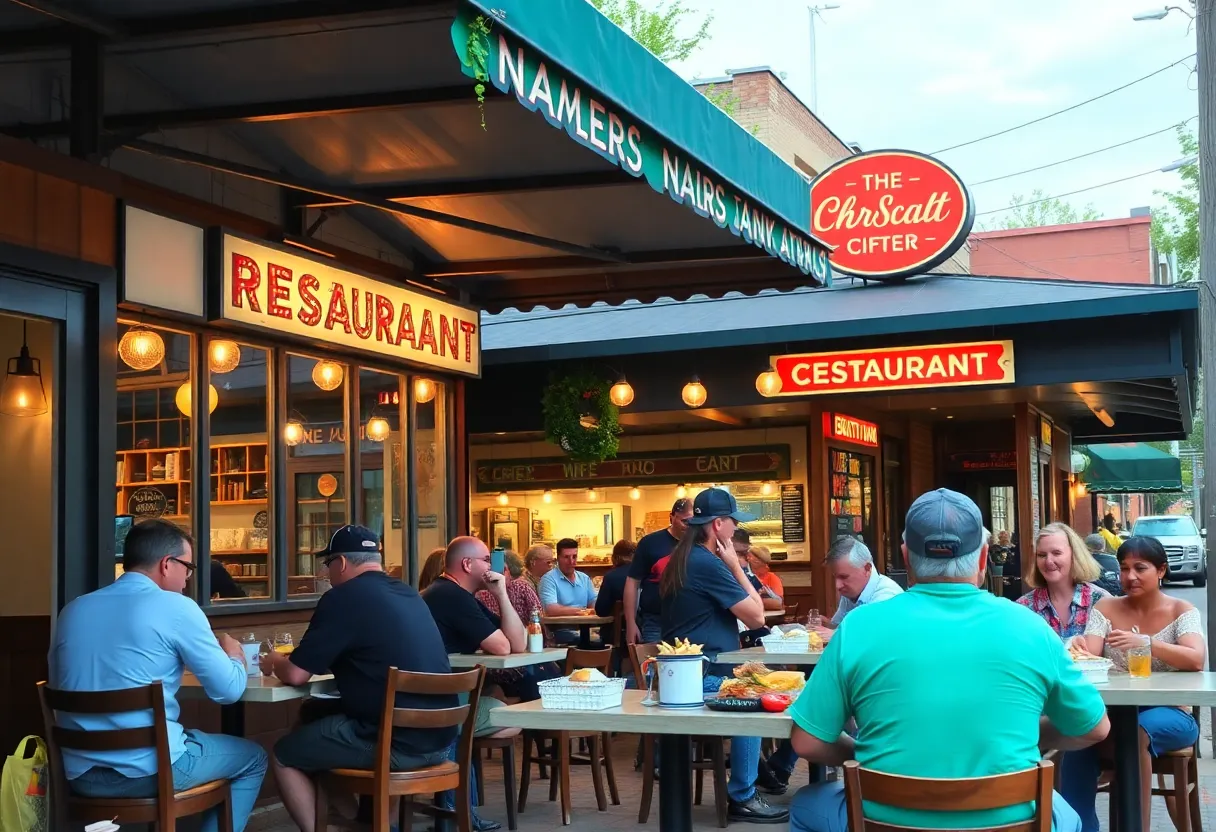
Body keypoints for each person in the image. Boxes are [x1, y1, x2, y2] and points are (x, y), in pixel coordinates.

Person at [787, 489, 1109, 832]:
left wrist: (857, 754)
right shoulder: (1030, 626)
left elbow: (806, 741)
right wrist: (1030, 732)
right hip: (1012, 819)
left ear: (906, 558)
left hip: (882, 818)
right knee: (1069, 817)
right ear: (984, 558)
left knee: (806, 804)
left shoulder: (857, 628)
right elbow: (1094, 727)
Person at [49, 520, 267, 832]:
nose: (188, 578)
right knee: (253, 758)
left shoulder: (73, 609)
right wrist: (235, 655)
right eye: (188, 567)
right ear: (167, 564)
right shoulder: (176, 607)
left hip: (78, 774)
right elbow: (229, 690)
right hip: (150, 771)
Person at [261, 526, 457, 832]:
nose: (326, 574)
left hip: (394, 744)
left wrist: (273, 661)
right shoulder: (409, 593)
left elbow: (297, 674)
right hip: (441, 739)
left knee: (284, 754)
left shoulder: (342, 597)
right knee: (312, 718)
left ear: (340, 563)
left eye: (327, 565)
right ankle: (365, 825)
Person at [660, 487, 789, 823]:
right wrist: (736, 566)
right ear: (718, 525)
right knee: (754, 700)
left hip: (684, 675)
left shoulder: (684, 557)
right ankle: (743, 796)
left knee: (765, 687)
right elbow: (757, 616)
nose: (736, 529)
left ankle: (759, 779)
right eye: (733, 521)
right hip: (704, 677)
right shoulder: (709, 563)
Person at [1061, 535, 1206, 832]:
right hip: (1114, 713)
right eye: (1124, 568)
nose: (1130, 576)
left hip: (1172, 712)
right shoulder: (1107, 608)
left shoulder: (1182, 611)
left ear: (1161, 570)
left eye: (1140, 568)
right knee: (1079, 735)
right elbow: (1089, 654)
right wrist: (1076, 646)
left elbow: (1196, 659)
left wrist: (1147, 643)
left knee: (1135, 734)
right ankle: (1079, 827)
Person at [1016, 523, 1109, 639]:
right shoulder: (1024, 608)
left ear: (1074, 555)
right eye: (1041, 555)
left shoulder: (1101, 601)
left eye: (1056, 553)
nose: (1048, 561)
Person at [625, 497, 694, 644]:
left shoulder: (699, 543)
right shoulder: (650, 543)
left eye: (692, 522)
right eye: (684, 521)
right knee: (654, 665)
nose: (688, 526)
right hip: (655, 620)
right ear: (672, 517)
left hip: (691, 619)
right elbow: (632, 582)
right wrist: (630, 622)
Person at [810, 536, 902, 644]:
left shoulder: (887, 596)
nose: (837, 586)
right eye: (835, 577)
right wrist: (826, 625)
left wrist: (836, 636)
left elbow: (877, 641)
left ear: (867, 569)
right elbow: (839, 626)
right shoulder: (852, 592)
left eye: (844, 577)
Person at [539, 538, 598, 644]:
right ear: (558, 558)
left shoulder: (584, 578)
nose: (571, 561)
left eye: (574, 557)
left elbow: (593, 603)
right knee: (592, 641)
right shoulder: (548, 579)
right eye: (566, 557)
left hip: (585, 628)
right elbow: (551, 609)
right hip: (559, 631)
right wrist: (583, 611)